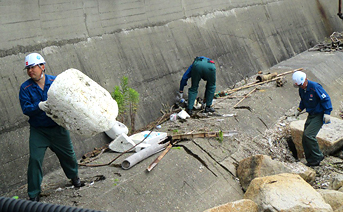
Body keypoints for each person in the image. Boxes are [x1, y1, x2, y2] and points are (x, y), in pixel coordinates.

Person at [19, 53, 81, 202]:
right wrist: (39, 106)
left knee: (69, 155)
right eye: (28, 68)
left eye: (33, 67)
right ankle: (33, 194)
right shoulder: (25, 88)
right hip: (39, 131)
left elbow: (69, 100)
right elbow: (26, 109)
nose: (30, 71)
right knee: (35, 160)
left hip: (58, 128)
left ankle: (74, 177)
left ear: (42, 67)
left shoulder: (55, 82)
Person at [292, 70, 332, 167]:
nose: (300, 87)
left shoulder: (315, 87)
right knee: (305, 138)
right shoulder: (301, 89)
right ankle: (311, 160)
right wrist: (299, 109)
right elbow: (303, 100)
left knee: (309, 135)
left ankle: (318, 157)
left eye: (301, 85)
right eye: (299, 86)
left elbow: (326, 99)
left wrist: (327, 113)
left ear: (305, 79)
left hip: (319, 114)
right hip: (311, 114)